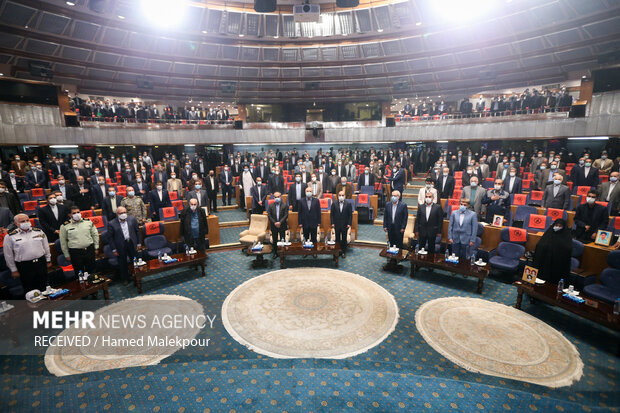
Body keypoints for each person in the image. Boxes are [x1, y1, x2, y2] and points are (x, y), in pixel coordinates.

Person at [3, 213, 51, 296]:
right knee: (30, 291)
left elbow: (46, 247)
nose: (26, 222)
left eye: (27, 220)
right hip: (25, 266)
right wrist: (13, 269)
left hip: (40, 263)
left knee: (45, 288)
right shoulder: (10, 236)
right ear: (16, 223)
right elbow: (8, 255)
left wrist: (48, 260)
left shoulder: (38, 231)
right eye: (22, 221)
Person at [59, 206, 99, 275]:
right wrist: (66, 255)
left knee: (92, 270)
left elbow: (95, 235)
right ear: (69, 215)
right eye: (74, 213)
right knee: (79, 273)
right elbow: (63, 242)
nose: (77, 214)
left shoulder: (88, 222)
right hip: (75, 253)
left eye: (78, 212)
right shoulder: (64, 226)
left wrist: (96, 247)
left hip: (89, 250)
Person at [107, 206, 141, 285]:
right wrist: (114, 249)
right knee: (122, 263)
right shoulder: (111, 223)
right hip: (120, 245)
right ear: (117, 214)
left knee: (135, 261)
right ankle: (125, 278)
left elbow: (137, 232)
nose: (123, 214)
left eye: (124, 212)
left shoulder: (132, 219)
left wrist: (139, 243)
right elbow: (110, 238)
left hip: (131, 243)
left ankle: (136, 277)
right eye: (121, 213)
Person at [533, 219, 572, 284]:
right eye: (556, 225)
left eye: (560, 226)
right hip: (544, 262)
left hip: (557, 265)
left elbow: (567, 249)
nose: (557, 227)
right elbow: (539, 245)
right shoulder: (548, 233)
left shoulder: (566, 237)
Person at [330, 190, 352, 257]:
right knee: (337, 239)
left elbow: (350, 215)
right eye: (340, 195)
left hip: (345, 225)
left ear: (345, 196)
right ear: (337, 196)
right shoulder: (334, 203)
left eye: (342, 195)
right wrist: (332, 223)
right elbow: (332, 214)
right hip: (337, 224)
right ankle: (337, 251)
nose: (341, 197)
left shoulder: (348, 204)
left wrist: (349, 223)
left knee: (344, 239)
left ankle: (343, 252)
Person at [267, 192, 288, 256]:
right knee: (275, 240)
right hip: (274, 226)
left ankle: (282, 252)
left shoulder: (284, 205)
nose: (277, 198)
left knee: (282, 240)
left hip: (282, 225)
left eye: (278, 197)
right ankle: (275, 253)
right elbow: (269, 216)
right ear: (273, 198)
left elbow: (286, 215)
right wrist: (275, 223)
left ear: (280, 197)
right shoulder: (270, 206)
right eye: (275, 197)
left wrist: (280, 222)